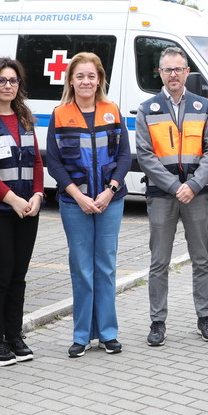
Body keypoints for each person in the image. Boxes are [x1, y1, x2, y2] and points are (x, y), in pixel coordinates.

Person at [46, 52, 132, 358]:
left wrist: (110, 190)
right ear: (71, 79)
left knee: (105, 268)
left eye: (91, 76)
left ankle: (108, 334)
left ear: (99, 80)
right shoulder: (59, 114)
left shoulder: (113, 111)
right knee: (81, 269)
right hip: (74, 203)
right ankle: (81, 335)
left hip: (111, 201)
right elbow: (53, 163)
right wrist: (78, 195)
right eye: (80, 76)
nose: (86, 81)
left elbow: (124, 156)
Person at [135, 47, 208, 346]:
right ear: (160, 73)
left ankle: (204, 317)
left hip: (196, 194)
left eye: (178, 69)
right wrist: (174, 185)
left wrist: (193, 185)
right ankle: (157, 322)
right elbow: (145, 155)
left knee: (201, 259)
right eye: (167, 69)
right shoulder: (147, 108)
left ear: (187, 72)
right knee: (159, 262)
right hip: (162, 194)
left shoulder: (203, 106)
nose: (173, 74)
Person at [0, 58, 44, 367]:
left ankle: (14, 336)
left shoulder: (25, 117)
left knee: (18, 277)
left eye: (13, 81)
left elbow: (37, 162)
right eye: (1, 80)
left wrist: (39, 194)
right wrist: (12, 198)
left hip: (28, 210)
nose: (8, 86)